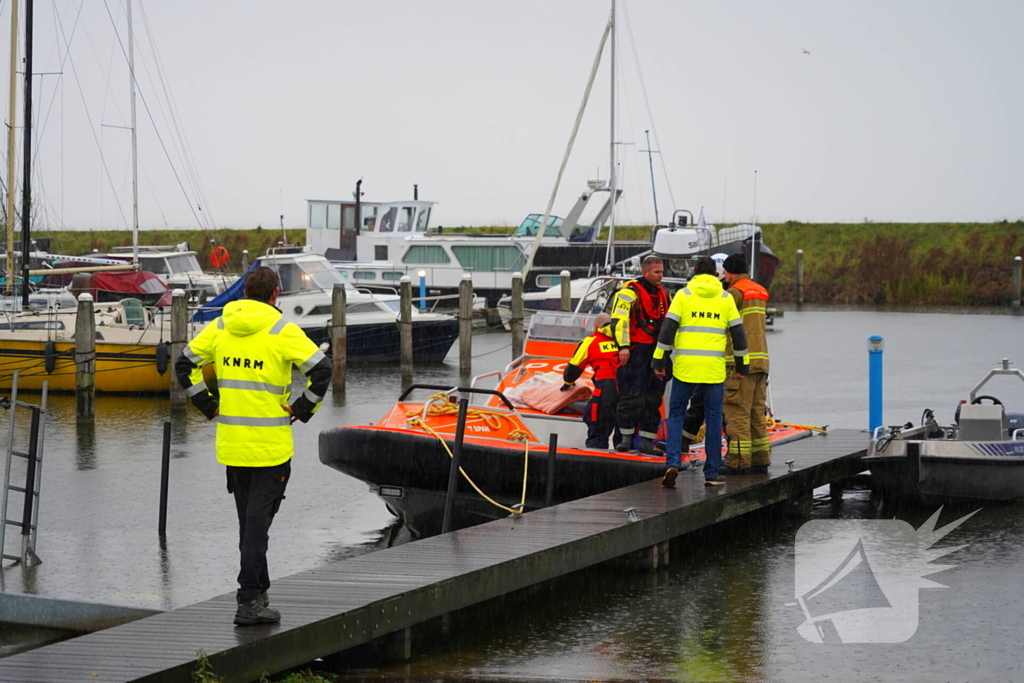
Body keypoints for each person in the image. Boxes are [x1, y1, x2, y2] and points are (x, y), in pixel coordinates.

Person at [173, 266, 332, 626]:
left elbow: (185, 365)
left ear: (244, 293)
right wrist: (303, 408)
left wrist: (208, 405)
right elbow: (322, 371)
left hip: (232, 447)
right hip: (271, 449)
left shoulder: (220, 328)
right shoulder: (282, 331)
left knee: (250, 526)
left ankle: (259, 591)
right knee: (257, 527)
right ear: (275, 295)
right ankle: (248, 602)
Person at [652, 256, 749, 488]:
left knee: (676, 414)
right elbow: (738, 335)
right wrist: (742, 365)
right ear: (716, 274)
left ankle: (673, 462)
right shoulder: (725, 298)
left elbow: (667, 331)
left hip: (686, 368)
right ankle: (712, 473)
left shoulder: (683, 296)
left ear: (694, 272)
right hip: (713, 370)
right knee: (714, 418)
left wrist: (659, 362)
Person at [610, 255, 671, 455]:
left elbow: (670, 325)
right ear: (645, 272)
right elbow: (619, 321)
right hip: (636, 350)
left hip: (657, 351)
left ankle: (647, 442)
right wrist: (623, 347)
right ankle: (625, 439)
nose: (661, 275)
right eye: (657, 272)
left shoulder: (665, 294)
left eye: (662, 272)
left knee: (653, 398)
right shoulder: (629, 293)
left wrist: (666, 351)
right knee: (632, 396)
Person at [720, 253, 771, 474]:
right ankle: (760, 458)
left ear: (729, 271)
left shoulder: (733, 293)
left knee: (737, 412)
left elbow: (726, 327)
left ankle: (738, 461)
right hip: (761, 361)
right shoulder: (759, 290)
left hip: (739, 363)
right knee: (756, 413)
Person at [562, 313, 621, 449]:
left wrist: (568, 383)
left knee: (597, 427)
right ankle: (625, 460)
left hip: (606, 389)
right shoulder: (625, 339)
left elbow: (573, 369)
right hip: (628, 389)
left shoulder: (591, 341)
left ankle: (596, 459)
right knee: (624, 433)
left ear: (595, 326)